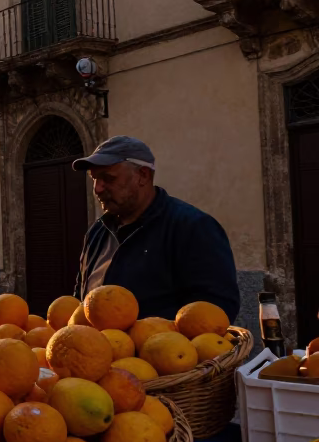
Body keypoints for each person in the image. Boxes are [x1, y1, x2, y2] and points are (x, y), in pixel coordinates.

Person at [73, 136, 239, 320]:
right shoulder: (96, 233)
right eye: (94, 179)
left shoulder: (192, 228)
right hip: (97, 348)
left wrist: (150, 337)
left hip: (164, 348)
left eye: (108, 178)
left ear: (143, 176)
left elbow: (217, 310)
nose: (97, 189)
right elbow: (80, 301)